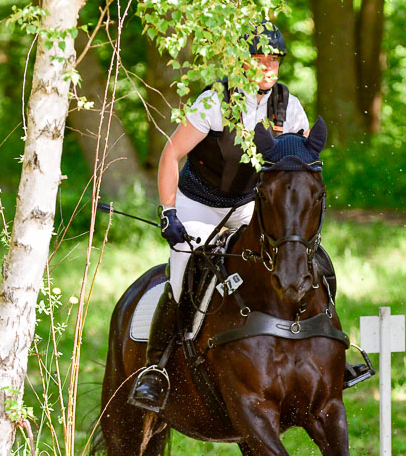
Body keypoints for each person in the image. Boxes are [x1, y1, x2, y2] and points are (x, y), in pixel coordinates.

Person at [130, 22, 361, 411]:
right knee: (184, 268)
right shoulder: (215, 102)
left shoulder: (290, 108)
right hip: (199, 204)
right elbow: (171, 155)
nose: (268, 67)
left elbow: (299, 168)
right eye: (259, 59)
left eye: (274, 60)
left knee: (313, 261)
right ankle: (158, 368)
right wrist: (169, 211)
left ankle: (328, 352)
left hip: (249, 205)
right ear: (241, 62)